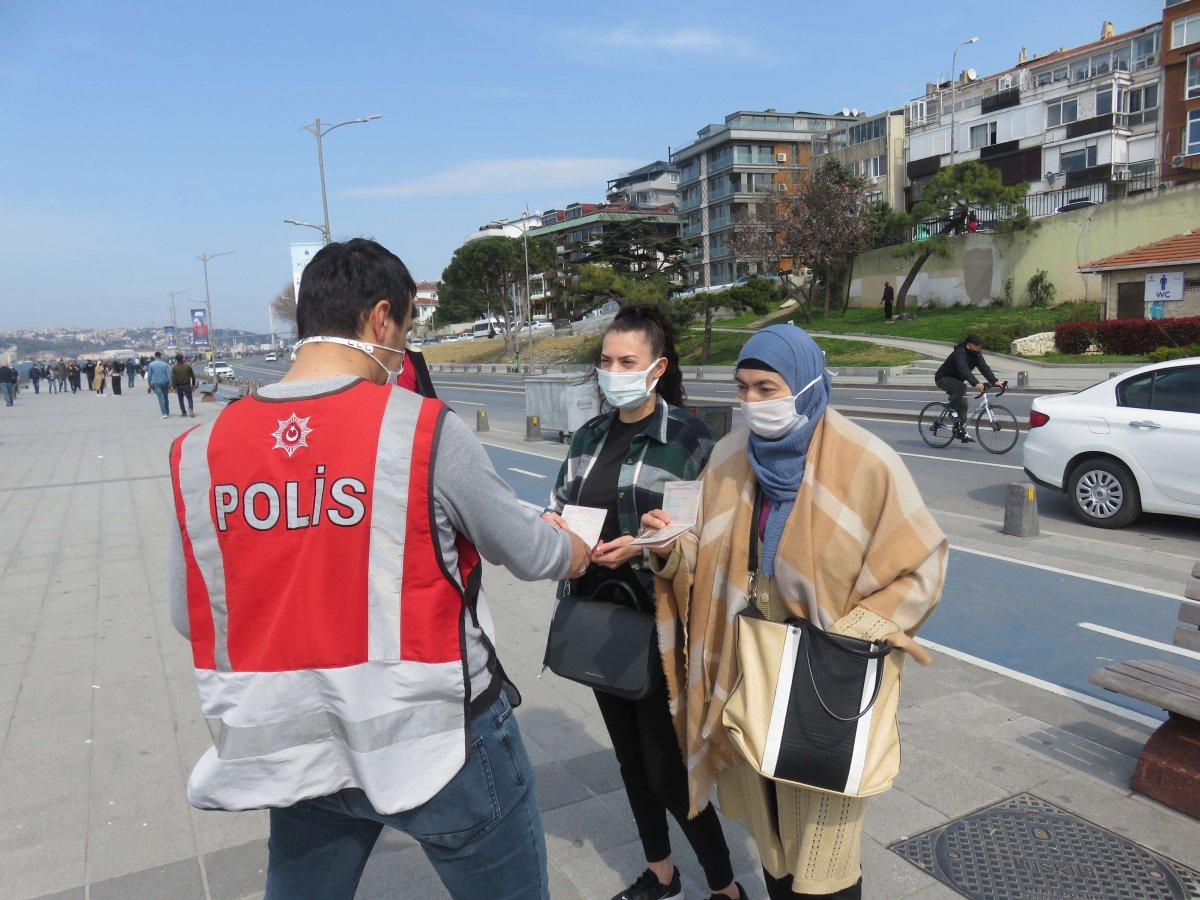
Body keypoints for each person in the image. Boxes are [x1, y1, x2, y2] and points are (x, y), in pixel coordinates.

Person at [168, 238, 591, 900]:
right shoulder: (418, 430)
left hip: (303, 747)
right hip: (439, 741)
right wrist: (577, 549)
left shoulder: (202, 450)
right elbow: (532, 552)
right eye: (403, 336)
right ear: (382, 318)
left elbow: (186, 612)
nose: (400, 355)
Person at [641, 324, 947, 900]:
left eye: (767, 388)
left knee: (826, 856)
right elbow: (701, 554)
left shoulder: (865, 463)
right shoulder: (732, 455)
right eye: (743, 389)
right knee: (773, 839)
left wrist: (849, 640)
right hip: (749, 676)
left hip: (825, 681)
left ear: (806, 387)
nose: (752, 403)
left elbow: (921, 567)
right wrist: (667, 548)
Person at [544, 305, 743, 900]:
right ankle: (661, 871)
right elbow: (561, 501)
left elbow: (711, 534)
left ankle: (725, 886)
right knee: (629, 760)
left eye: (626, 362)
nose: (613, 372)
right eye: (605, 361)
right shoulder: (588, 436)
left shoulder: (688, 438)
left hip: (660, 627)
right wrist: (556, 528)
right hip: (599, 616)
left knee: (665, 766)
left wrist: (646, 544)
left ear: (656, 367)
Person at [933, 334, 1006, 444]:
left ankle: (960, 432)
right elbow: (963, 369)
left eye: (979, 346)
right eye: (977, 346)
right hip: (943, 378)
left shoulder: (976, 354)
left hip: (956, 381)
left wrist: (994, 381)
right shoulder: (959, 353)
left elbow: (984, 368)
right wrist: (976, 383)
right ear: (968, 346)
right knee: (962, 387)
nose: (979, 348)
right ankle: (951, 411)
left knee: (963, 405)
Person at [148, 351, 171, 417]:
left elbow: (149, 376)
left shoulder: (151, 365)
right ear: (160, 356)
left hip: (156, 383)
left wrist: (149, 385)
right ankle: (167, 411)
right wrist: (171, 383)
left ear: (155, 356)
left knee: (160, 398)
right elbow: (169, 375)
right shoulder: (165, 364)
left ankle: (164, 413)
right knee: (166, 397)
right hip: (164, 382)